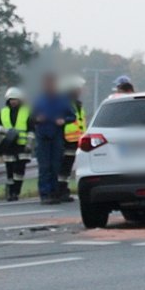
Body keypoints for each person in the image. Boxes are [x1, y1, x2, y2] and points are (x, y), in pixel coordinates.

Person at [31, 73, 77, 205]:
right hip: (43, 136)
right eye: (47, 83)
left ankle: (54, 193)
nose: (49, 86)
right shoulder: (39, 99)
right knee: (45, 167)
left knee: (56, 166)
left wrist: (64, 120)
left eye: (51, 83)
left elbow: (72, 116)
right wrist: (37, 119)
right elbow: (31, 118)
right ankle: (45, 194)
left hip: (57, 135)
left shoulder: (62, 99)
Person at [0, 87, 32, 202]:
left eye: (15, 99)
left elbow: (32, 129)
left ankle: (16, 191)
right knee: (9, 170)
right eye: (11, 99)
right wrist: (2, 130)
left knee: (19, 170)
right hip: (8, 145)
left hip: (22, 145)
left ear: (19, 100)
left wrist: (29, 144)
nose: (13, 101)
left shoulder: (27, 111)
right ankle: (11, 192)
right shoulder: (3, 112)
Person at [58, 75, 88, 203]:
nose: (80, 91)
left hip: (76, 141)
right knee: (64, 168)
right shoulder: (65, 104)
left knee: (67, 168)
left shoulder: (77, 104)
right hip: (66, 141)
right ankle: (61, 191)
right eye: (77, 89)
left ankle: (63, 190)